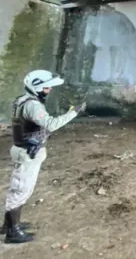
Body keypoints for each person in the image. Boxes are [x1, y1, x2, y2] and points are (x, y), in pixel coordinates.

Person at [1, 70, 86, 244]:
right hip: (27, 152)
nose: (49, 90)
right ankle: (12, 232)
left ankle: (9, 225)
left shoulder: (22, 100)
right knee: (20, 190)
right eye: (46, 87)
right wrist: (74, 112)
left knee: (20, 189)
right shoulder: (33, 105)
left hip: (24, 149)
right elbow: (51, 124)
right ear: (37, 87)